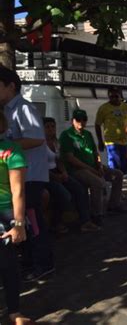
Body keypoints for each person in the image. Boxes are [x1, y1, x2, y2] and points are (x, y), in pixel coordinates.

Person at [0, 66, 54, 282]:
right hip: (16, 177)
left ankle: (44, 264)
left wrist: (6, 146)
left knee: (33, 221)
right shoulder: (6, 110)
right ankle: (30, 262)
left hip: (30, 176)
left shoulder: (24, 108)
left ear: (11, 86)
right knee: (23, 222)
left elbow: (36, 138)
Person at [59, 109, 124, 226]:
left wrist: (99, 165)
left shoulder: (88, 134)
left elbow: (95, 153)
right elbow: (71, 159)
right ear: (72, 121)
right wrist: (92, 170)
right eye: (78, 120)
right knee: (98, 182)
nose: (81, 123)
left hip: (93, 166)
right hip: (77, 170)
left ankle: (113, 205)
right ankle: (96, 214)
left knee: (117, 174)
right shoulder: (66, 135)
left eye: (84, 120)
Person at [0, 111, 34, 325]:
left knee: (7, 263)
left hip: (5, 214)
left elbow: (18, 191)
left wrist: (19, 224)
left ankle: (13, 311)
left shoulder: (12, 151)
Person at [43, 117, 100, 233]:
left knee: (78, 188)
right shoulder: (40, 144)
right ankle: (56, 223)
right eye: (47, 127)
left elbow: (59, 160)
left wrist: (63, 172)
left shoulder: (56, 142)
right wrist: (56, 177)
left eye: (52, 126)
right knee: (63, 194)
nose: (50, 129)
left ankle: (85, 221)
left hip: (58, 171)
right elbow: (41, 166)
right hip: (45, 175)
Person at [95, 87, 127, 173]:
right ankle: (114, 181)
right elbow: (97, 125)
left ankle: (121, 182)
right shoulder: (103, 108)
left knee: (124, 165)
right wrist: (100, 141)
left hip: (124, 141)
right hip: (111, 142)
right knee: (114, 164)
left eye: (116, 96)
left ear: (120, 96)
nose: (114, 99)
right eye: (111, 97)